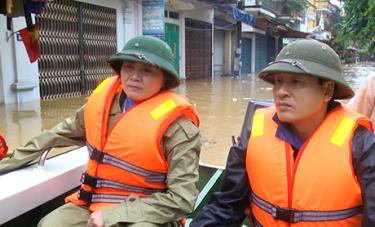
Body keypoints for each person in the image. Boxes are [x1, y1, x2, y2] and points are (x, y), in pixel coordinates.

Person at [0, 35, 201, 227]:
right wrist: (8, 163)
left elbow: (182, 200)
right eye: (128, 67)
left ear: (164, 79)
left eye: (147, 71)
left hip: (147, 212)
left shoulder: (179, 128)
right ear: (120, 72)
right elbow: (55, 135)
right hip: (93, 202)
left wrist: (113, 215)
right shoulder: (103, 107)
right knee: (51, 224)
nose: (135, 77)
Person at [190, 39, 375, 226]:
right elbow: (227, 206)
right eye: (278, 82)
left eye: (296, 82)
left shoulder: (361, 144)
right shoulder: (255, 133)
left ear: (327, 90)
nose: (281, 92)